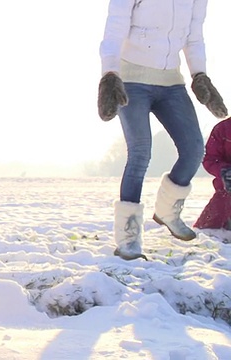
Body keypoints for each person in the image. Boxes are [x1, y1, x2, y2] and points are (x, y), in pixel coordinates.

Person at [97, 0, 228, 260]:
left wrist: (199, 75)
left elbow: (193, 38)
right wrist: (110, 74)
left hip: (171, 82)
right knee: (141, 153)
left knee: (193, 149)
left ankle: (168, 210)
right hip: (131, 79)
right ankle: (128, 236)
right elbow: (114, 29)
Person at [194, 117, 231, 230]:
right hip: (225, 194)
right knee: (206, 232)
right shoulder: (223, 129)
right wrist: (225, 171)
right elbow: (210, 158)